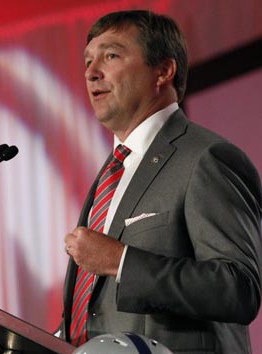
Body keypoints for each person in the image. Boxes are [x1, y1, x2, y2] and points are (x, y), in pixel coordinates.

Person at [57, 10, 262, 354]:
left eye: (111, 55)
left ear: (163, 71)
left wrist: (121, 261)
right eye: (88, 61)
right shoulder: (112, 173)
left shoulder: (206, 157)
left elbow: (237, 288)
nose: (91, 73)